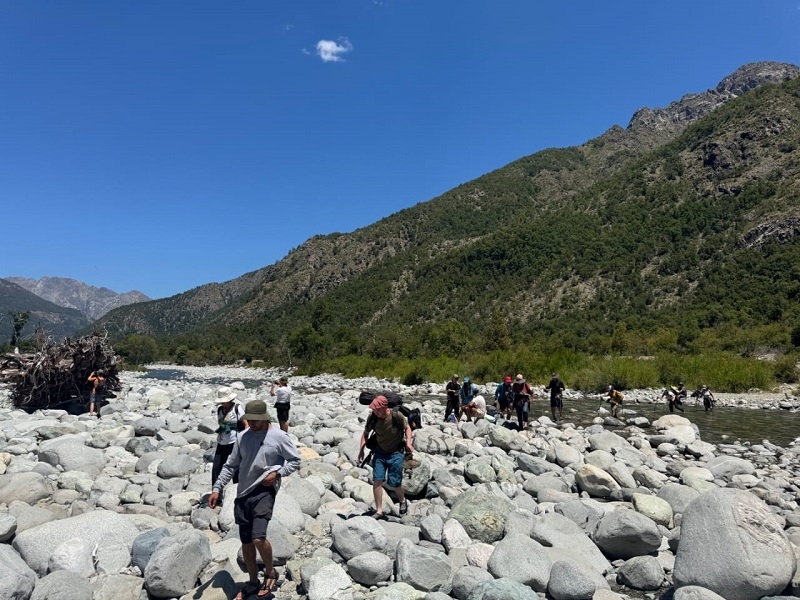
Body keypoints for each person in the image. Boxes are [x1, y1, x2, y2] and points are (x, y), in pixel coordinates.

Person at [209, 399, 300, 600]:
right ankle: (252, 581)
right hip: (243, 493)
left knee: (259, 536)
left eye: (257, 420)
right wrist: (217, 488)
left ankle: (270, 572)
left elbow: (295, 461)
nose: (254, 424)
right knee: (247, 541)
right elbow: (231, 465)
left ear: (265, 418)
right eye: (250, 420)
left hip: (264, 491)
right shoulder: (242, 437)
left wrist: (277, 474)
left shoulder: (279, 437)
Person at [356, 395, 415, 519]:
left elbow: (407, 428)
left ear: (384, 407)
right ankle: (379, 510)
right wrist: (361, 450)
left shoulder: (396, 416)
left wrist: (409, 442)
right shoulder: (373, 417)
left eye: (377, 409)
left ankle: (402, 500)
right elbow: (365, 434)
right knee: (377, 480)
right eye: (373, 409)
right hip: (380, 453)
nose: (374, 411)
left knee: (395, 483)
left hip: (396, 454)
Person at [212, 387, 248, 505]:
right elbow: (221, 424)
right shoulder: (219, 410)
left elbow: (246, 424)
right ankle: (216, 495)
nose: (223, 402)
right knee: (217, 468)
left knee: (235, 468)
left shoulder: (237, 408)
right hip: (222, 441)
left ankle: (238, 493)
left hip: (234, 442)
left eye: (224, 400)